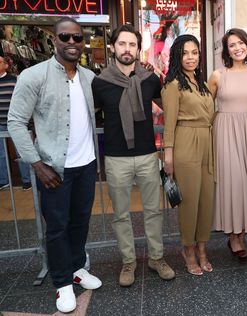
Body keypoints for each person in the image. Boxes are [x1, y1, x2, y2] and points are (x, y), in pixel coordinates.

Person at [7, 17, 102, 313]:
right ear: (55, 40)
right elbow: (15, 122)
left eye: (77, 38)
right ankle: (62, 283)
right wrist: (36, 164)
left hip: (86, 165)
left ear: (82, 41)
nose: (72, 43)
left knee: (80, 221)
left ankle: (76, 268)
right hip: (53, 169)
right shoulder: (33, 76)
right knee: (58, 228)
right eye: (65, 38)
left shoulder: (88, 77)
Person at [92, 24, 175, 287]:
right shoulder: (100, 82)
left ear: (138, 49)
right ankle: (128, 262)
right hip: (116, 158)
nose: (127, 49)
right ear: (113, 47)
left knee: (153, 211)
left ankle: (156, 258)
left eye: (132, 45)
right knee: (121, 214)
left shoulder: (150, 79)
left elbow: (168, 106)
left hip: (148, 154)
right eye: (122, 44)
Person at [207, 28, 247, 261]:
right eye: (232, 45)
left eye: (241, 43)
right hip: (224, 131)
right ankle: (233, 235)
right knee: (232, 181)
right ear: (227, 50)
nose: (237, 47)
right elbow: (206, 107)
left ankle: (241, 232)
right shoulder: (218, 75)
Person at [162, 34, 215, 276]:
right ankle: (189, 250)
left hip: (207, 143)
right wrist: (168, 155)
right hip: (185, 143)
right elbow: (169, 124)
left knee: (206, 200)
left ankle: (203, 248)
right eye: (185, 53)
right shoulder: (172, 85)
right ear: (177, 56)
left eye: (194, 52)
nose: (191, 57)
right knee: (189, 203)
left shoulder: (201, 84)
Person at [0, 54, 31, 191]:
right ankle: (4, 180)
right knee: (0, 153)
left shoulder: (14, 80)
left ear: (6, 65)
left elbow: (22, 99)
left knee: (21, 150)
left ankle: (27, 179)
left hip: (15, 121)